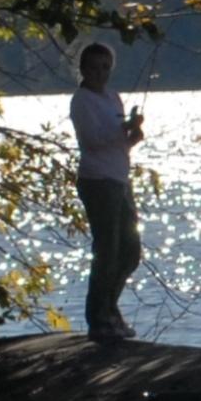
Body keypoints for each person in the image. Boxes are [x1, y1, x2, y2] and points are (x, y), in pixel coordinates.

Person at [68, 42, 144, 343]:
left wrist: (132, 135)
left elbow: (117, 143)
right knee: (107, 251)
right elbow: (93, 140)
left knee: (130, 250)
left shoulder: (113, 97)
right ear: (83, 69)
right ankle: (99, 318)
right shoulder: (82, 101)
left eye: (105, 67)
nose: (100, 73)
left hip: (120, 180)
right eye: (94, 67)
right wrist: (122, 129)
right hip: (97, 181)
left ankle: (109, 308)